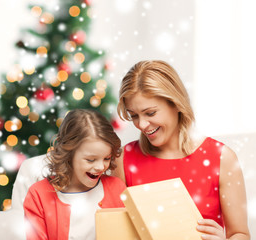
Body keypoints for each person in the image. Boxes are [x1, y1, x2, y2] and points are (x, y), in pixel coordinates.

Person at [113, 60, 250, 240]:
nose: (142, 124)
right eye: (134, 116)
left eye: (150, 113)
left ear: (176, 103)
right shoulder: (123, 160)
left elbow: (240, 234)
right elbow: (114, 231)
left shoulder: (223, 158)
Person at [23, 109, 126, 240]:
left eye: (106, 158)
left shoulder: (117, 189)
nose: (101, 167)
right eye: (90, 160)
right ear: (69, 154)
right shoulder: (38, 195)